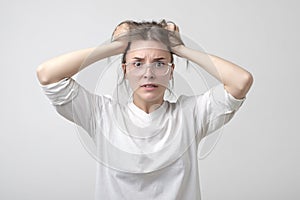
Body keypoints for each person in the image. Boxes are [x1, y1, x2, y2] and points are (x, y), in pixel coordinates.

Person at [37, 20, 253, 200]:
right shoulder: (101, 113)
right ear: (125, 70)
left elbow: (240, 81)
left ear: (171, 71)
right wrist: (116, 47)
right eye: (138, 63)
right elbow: (47, 75)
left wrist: (180, 49)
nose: (148, 73)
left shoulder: (191, 114)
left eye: (159, 63)